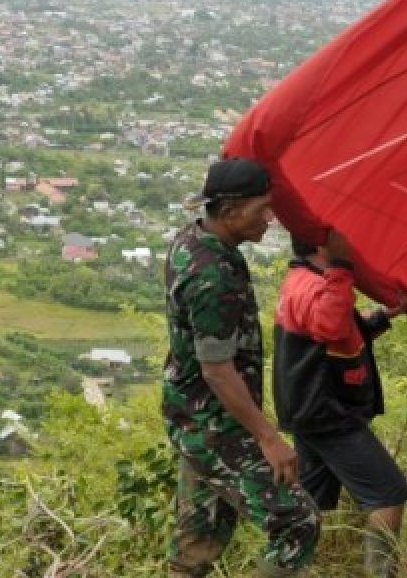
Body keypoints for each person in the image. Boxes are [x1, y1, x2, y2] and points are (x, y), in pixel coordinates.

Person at [163, 158, 320, 578]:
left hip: (192, 418)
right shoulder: (212, 274)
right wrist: (268, 438)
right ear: (229, 211)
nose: (270, 219)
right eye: (261, 209)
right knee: (297, 523)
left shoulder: (192, 241)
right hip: (218, 425)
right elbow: (216, 369)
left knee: (198, 540)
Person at [273, 235, 407, 578]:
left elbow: (334, 333)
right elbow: (331, 324)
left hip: (313, 412)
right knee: (387, 494)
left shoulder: (307, 282)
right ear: (323, 247)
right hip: (328, 415)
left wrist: (381, 317)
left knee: (307, 508)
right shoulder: (310, 285)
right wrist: (342, 267)